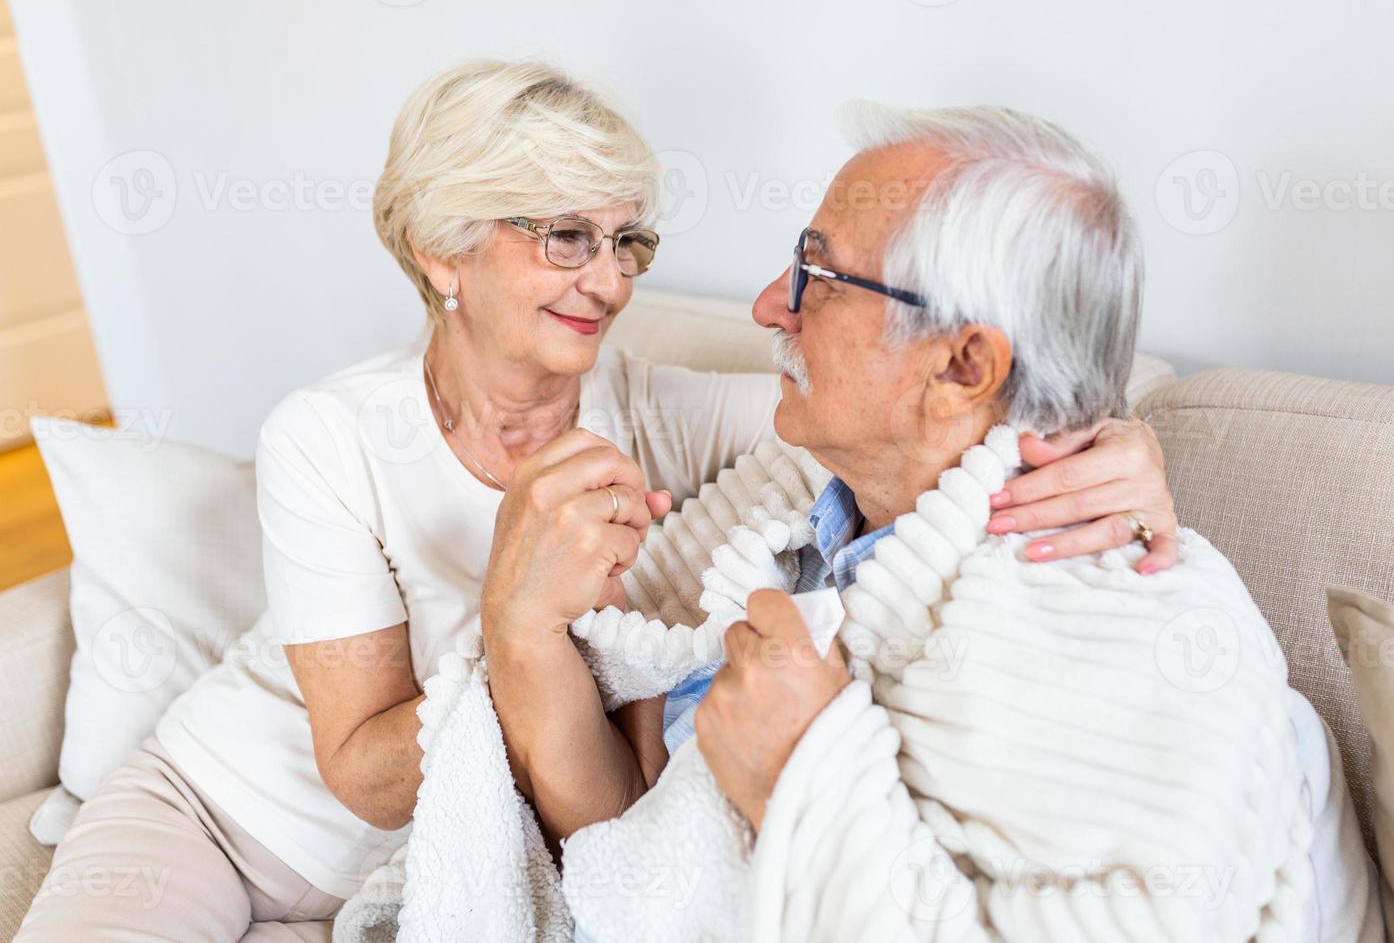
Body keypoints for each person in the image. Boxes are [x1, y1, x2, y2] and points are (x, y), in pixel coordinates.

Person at [17, 62, 1178, 942]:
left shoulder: (644, 406)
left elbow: (901, 415)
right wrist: (514, 619)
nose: (613, 279)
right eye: (567, 235)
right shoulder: (329, 436)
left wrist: (1114, 438)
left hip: (418, 857)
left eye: (628, 239)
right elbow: (357, 770)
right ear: (442, 250)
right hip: (227, 808)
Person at [686, 103, 1383, 941]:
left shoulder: (1121, 630)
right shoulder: (808, 489)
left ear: (963, 365)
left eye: (821, 279)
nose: (771, 306)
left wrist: (805, 777)